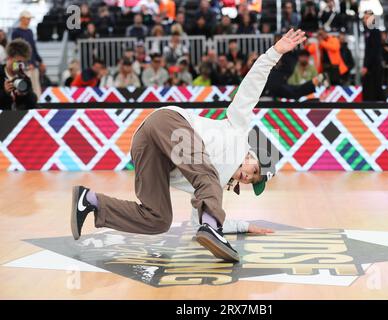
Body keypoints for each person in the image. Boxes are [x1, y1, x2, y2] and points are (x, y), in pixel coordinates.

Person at [71, 28, 307, 263]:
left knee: (158, 219)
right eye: (254, 171)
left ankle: (90, 201)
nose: (247, 177)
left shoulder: (211, 188)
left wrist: (244, 226)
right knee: (208, 176)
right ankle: (213, 227)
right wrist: (275, 52)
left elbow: (198, 223)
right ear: (251, 155)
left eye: (251, 181)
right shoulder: (239, 127)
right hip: (169, 123)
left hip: (147, 149)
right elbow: (250, 88)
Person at [11, 10, 44, 97]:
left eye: (29, 19)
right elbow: (16, 51)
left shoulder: (30, 31)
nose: (29, 21)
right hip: (22, 66)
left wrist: (40, 61)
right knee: (24, 87)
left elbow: (33, 48)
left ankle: (36, 106)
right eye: (27, 19)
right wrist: (26, 64)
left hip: (32, 65)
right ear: (22, 19)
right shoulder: (16, 32)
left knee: (36, 87)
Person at [0, 39, 37, 110]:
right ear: (9, 58)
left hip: (19, 118)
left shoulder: (24, 77)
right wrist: (5, 92)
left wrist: (25, 94)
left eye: (23, 62)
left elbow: (33, 104)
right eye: (18, 62)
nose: (20, 65)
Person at [361, 10, 384, 101]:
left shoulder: (375, 32)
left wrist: (366, 66)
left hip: (374, 66)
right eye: (364, 18)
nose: (365, 20)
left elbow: (373, 51)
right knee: (369, 87)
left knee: (375, 87)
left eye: (367, 18)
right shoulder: (367, 32)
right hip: (370, 65)